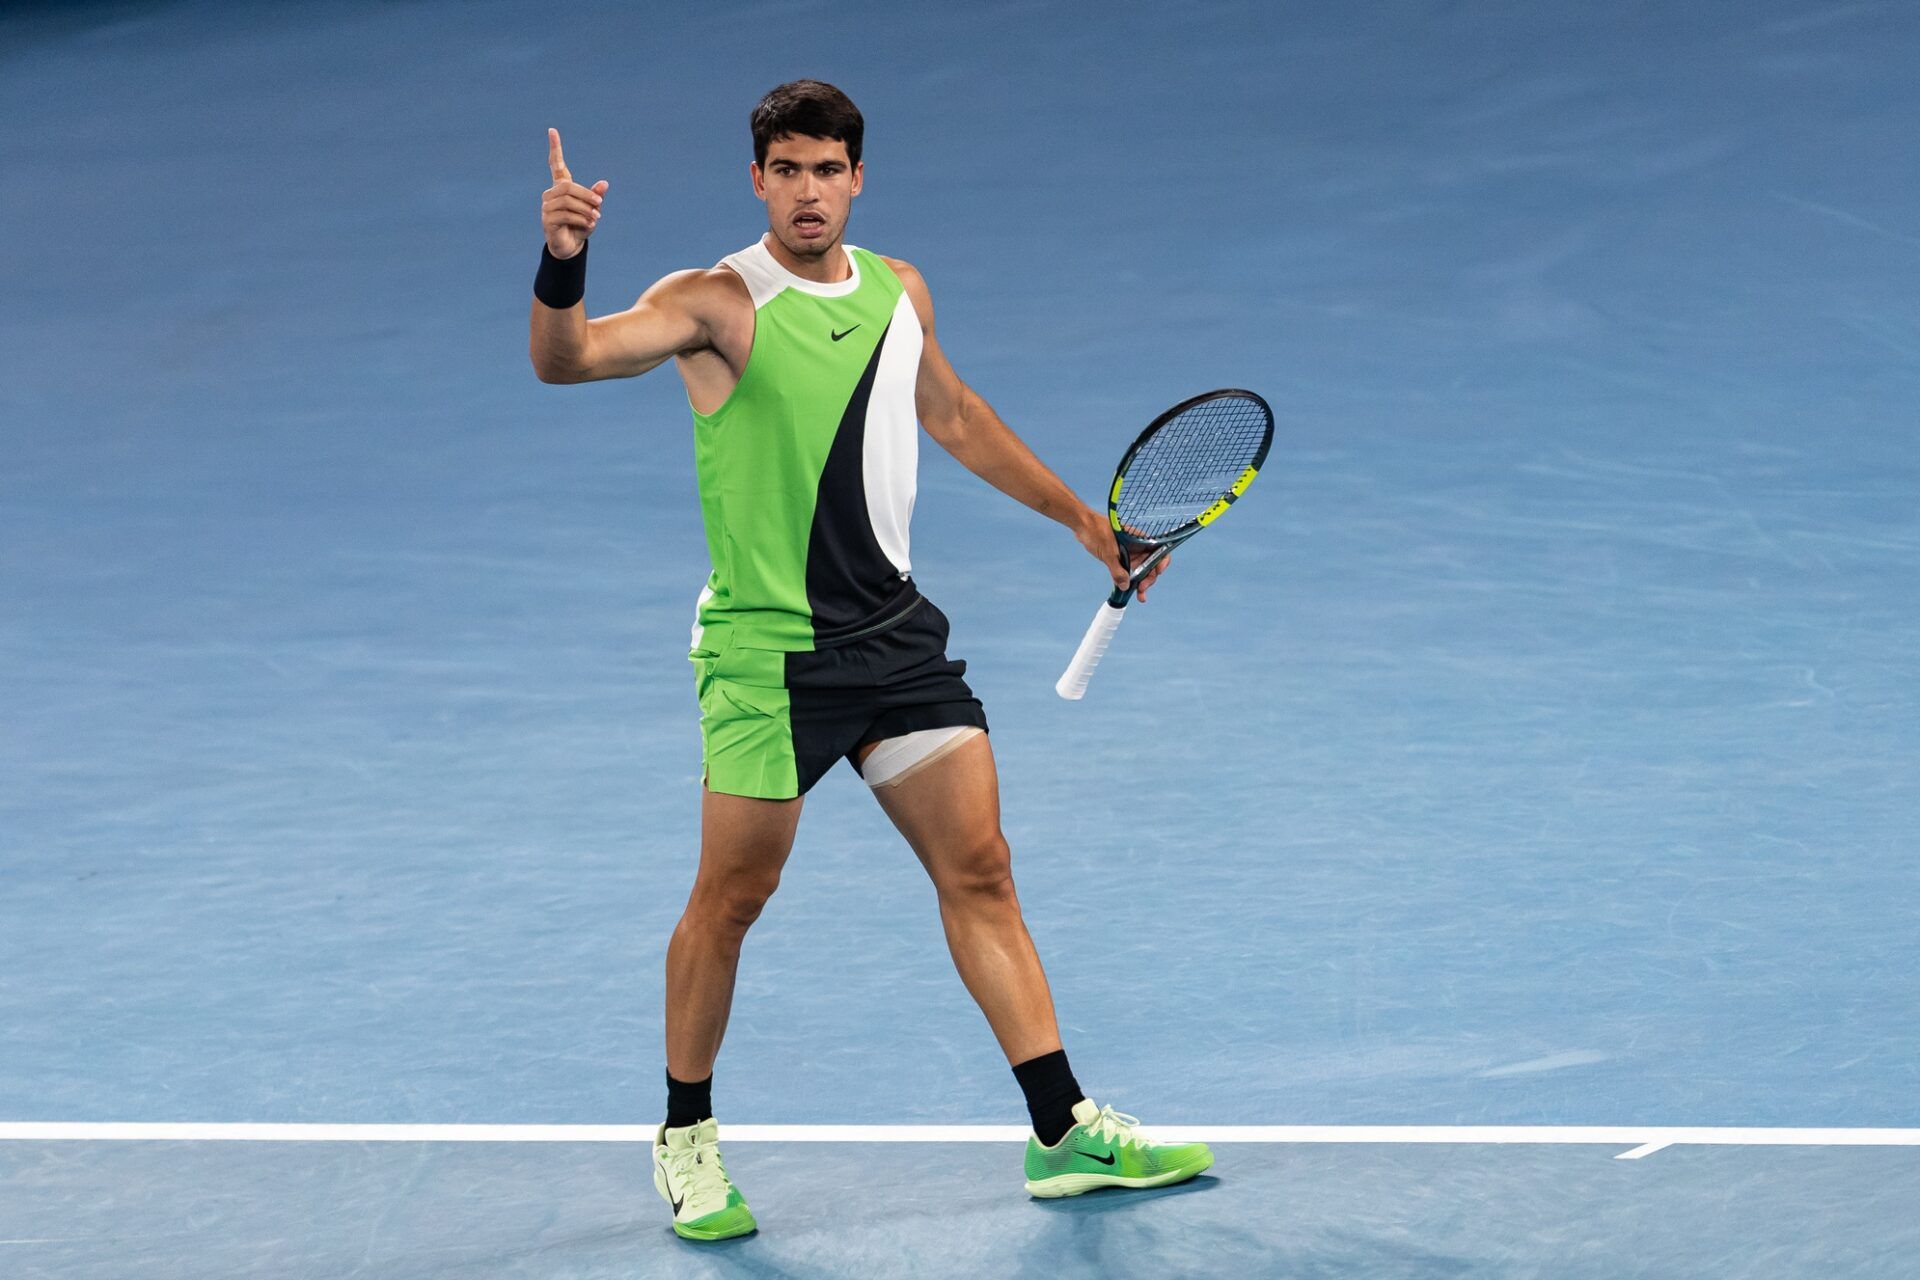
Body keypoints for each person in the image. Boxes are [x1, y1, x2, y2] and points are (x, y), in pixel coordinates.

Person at [529, 79, 1211, 1242]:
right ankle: (685, 1135)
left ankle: (1061, 1131)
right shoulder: (714, 302)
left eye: (826, 169)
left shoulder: (900, 292)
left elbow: (954, 415)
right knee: (734, 898)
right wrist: (562, 262)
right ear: (758, 181)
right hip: (766, 654)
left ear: (858, 178)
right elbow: (570, 361)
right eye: (785, 170)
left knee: (982, 868)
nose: (807, 191)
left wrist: (1082, 523)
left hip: (894, 639)